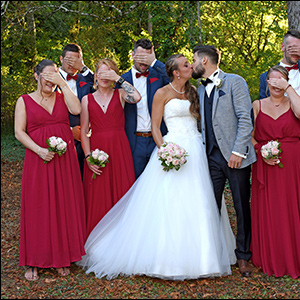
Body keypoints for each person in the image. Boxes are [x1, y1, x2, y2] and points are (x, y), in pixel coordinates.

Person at [77, 54, 235, 280]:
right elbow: (156, 128)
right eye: (186, 65)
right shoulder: (162, 93)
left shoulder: (195, 91)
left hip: (196, 148)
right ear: (175, 72)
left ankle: (204, 257)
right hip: (172, 147)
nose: (191, 66)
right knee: (168, 201)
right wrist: (165, 151)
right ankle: (164, 258)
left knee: (200, 199)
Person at [250, 65, 300, 278]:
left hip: (293, 161)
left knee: (293, 207)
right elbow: (250, 135)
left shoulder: (294, 104)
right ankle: (273, 256)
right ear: (266, 83)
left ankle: (296, 255)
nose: (276, 84)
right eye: (272, 80)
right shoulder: (257, 105)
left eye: (280, 80)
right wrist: (261, 151)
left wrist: (289, 89)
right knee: (271, 208)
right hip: (266, 161)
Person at [14, 59, 86, 281]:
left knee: (63, 203)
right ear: (36, 76)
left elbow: (77, 110)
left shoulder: (64, 97)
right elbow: (19, 132)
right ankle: (34, 260)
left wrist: (62, 83)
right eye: (47, 75)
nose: (51, 80)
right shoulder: (24, 101)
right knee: (39, 206)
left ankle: (62, 257)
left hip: (65, 160)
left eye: (55, 75)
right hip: (39, 160)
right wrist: (39, 150)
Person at [192, 45, 257, 277]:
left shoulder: (234, 81)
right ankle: (213, 254)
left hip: (235, 157)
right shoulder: (200, 89)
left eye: (194, 60)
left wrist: (238, 152)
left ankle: (243, 256)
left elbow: (245, 118)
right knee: (211, 205)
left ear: (205, 62)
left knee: (240, 205)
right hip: (210, 157)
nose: (192, 65)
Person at [80, 58, 140, 238]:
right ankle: (98, 241)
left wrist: (118, 79)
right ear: (96, 75)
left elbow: (136, 97)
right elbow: (83, 131)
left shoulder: (121, 94)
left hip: (120, 151)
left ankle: (122, 240)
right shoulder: (86, 99)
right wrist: (89, 157)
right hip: (97, 151)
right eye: (102, 72)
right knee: (98, 197)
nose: (105, 76)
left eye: (109, 72)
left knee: (122, 193)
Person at [119, 38, 170, 178]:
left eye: (147, 57)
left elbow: (175, 80)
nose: (144, 61)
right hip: (134, 141)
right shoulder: (122, 80)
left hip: (158, 139)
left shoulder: (159, 75)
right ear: (133, 55)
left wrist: (154, 62)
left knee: (160, 181)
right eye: (140, 57)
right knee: (135, 183)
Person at [59, 43, 95, 177]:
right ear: (61, 59)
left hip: (85, 140)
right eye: (68, 60)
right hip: (61, 139)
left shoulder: (85, 79)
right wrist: (69, 131)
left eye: (75, 60)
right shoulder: (53, 79)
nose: (71, 64)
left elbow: (102, 88)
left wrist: (83, 68)